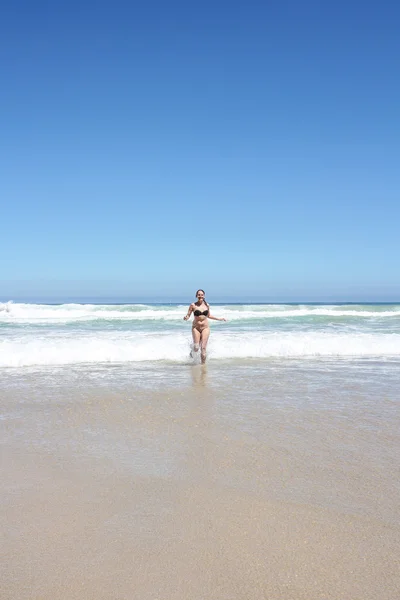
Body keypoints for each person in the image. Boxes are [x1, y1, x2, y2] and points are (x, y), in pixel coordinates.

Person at [183, 289, 226, 363]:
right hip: (196, 328)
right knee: (196, 347)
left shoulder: (207, 305)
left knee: (203, 347)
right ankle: (192, 353)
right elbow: (188, 315)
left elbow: (209, 315)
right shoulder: (193, 305)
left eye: (201, 294)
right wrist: (186, 317)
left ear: (204, 296)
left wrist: (219, 319)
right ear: (196, 296)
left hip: (205, 328)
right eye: (199, 295)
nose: (200, 296)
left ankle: (203, 366)